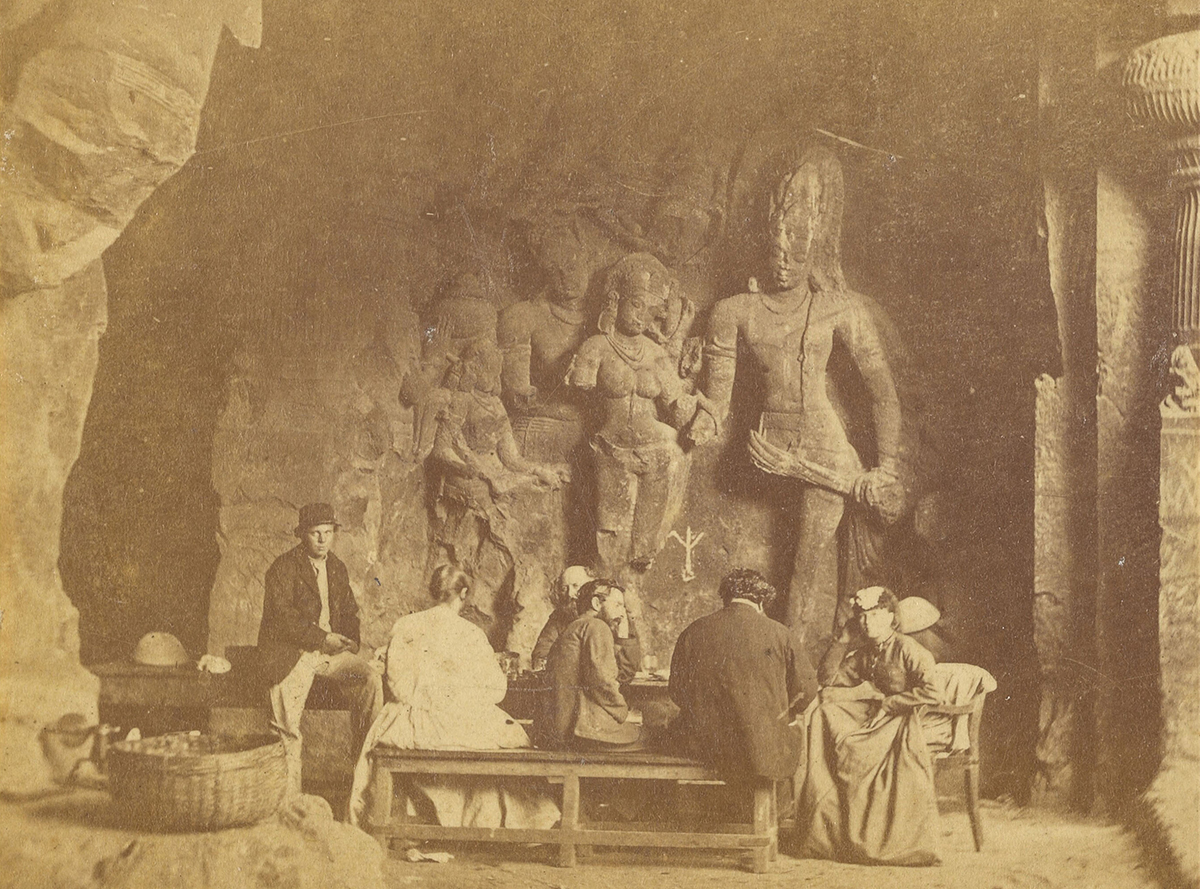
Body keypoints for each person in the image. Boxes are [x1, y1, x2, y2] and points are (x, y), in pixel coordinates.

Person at [695, 146, 913, 660]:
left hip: (822, 443)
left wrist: (885, 466)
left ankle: (794, 663)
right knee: (795, 554)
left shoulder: (840, 308)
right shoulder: (734, 312)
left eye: (797, 253)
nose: (784, 262)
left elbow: (881, 389)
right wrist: (694, 415)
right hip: (765, 443)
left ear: (817, 249)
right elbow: (717, 400)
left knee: (807, 563)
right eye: (776, 251)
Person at [348, 566, 559, 829]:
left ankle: (422, 819)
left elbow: (396, 683)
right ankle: (486, 822)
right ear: (464, 593)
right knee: (509, 740)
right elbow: (497, 689)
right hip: (455, 721)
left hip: (409, 721)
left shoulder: (406, 625)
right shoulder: (471, 634)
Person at [565, 253, 715, 618]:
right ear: (615, 302)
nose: (641, 317)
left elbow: (676, 405)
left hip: (657, 451)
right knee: (608, 537)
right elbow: (579, 386)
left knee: (643, 545)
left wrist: (703, 413)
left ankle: (633, 589)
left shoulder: (655, 354)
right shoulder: (596, 347)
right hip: (610, 449)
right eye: (635, 305)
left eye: (650, 311)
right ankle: (604, 605)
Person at [797, 585, 944, 865]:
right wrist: (841, 641)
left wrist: (890, 705)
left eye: (875, 615)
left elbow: (933, 692)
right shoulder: (867, 653)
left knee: (855, 751)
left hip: (903, 718)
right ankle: (833, 832)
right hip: (878, 714)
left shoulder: (907, 648)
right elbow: (828, 679)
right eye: (862, 616)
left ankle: (875, 839)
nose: (868, 622)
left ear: (891, 616)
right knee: (824, 713)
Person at [256, 503, 383, 797]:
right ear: (303, 535)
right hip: (291, 653)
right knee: (287, 730)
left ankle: (363, 782)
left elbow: (350, 611)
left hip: (328, 655)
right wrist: (322, 638)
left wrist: (350, 640)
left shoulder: (336, 567)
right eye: (315, 533)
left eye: (328, 532)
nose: (323, 539)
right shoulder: (283, 568)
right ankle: (288, 803)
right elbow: (282, 619)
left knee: (370, 680)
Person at [667, 569, 818, 781]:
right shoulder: (781, 633)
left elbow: (676, 691)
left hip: (703, 745)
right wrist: (780, 714)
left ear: (726, 597)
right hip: (760, 749)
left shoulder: (693, 630)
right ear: (761, 602)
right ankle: (779, 811)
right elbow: (806, 691)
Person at [535, 579, 641, 749]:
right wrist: (622, 712)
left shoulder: (576, 626)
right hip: (577, 730)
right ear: (596, 603)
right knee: (652, 737)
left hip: (559, 728)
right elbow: (602, 681)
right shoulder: (596, 626)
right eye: (617, 605)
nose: (622, 613)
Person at [531, 565, 642, 680]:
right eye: (564, 588)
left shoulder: (615, 615)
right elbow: (541, 657)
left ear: (591, 586)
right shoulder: (559, 617)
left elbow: (629, 666)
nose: (570, 594)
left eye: (576, 586)